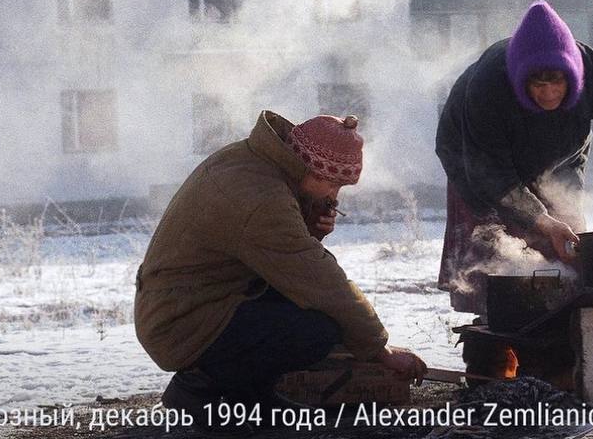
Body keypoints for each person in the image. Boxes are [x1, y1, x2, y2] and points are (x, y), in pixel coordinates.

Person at [134, 111, 426, 419]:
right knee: (316, 331)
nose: (333, 195)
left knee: (306, 310)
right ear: (310, 168)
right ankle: (197, 391)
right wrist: (380, 349)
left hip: (192, 302)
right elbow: (320, 279)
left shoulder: (255, 160)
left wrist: (309, 227)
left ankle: (254, 397)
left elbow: (275, 258)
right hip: (180, 323)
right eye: (333, 184)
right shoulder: (261, 197)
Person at [435, 0, 593, 310]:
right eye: (538, 84)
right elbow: (491, 174)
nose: (549, 94)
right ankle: (496, 328)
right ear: (522, 79)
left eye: (558, 83)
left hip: (560, 159)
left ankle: (564, 324)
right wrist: (543, 222)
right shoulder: (488, 84)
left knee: (571, 251)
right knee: (495, 268)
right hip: (475, 163)